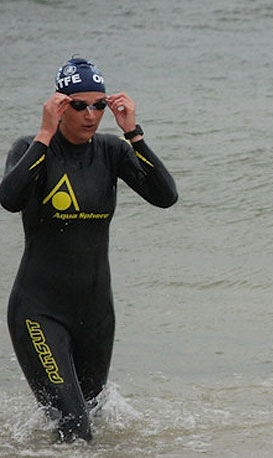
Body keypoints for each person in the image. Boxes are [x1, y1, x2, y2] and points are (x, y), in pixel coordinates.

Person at [0, 57, 178, 442]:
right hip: (39, 314)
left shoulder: (112, 152)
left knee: (93, 422)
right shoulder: (30, 149)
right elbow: (10, 199)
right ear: (59, 106)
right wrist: (44, 136)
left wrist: (134, 132)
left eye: (99, 105)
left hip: (96, 315)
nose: (91, 115)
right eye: (79, 105)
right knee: (75, 431)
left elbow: (166, 196)